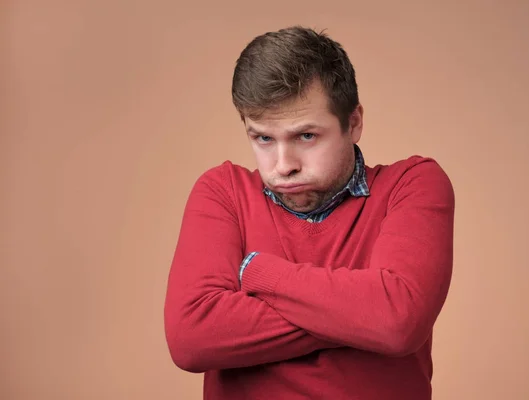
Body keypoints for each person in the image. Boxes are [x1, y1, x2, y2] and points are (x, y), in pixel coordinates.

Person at [163, 25, 455, 400]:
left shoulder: (411, 185)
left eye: (306, 136)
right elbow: (191, 338)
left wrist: (258, 272)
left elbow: (399, 322)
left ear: (353, 123)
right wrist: (363, 313)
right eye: (263, 138)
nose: (283, 165)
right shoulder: (224, 193)